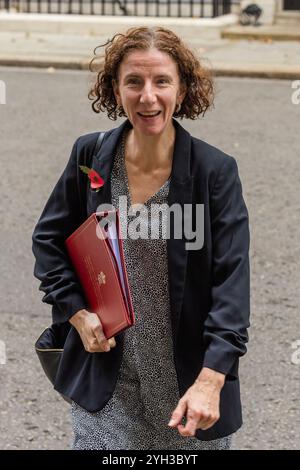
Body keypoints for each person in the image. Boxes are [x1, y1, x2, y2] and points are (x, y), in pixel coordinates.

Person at [32, 26, 250, 450]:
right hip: (109, 385)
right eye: (134, 81)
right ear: (115, 89)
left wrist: (213, 377)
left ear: (182, 90)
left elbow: (233, 284)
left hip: (187, 390)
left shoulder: (214, 172)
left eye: (162, 81)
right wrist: (77, 312)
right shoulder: (90, 157)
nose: (147, 96)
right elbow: (50, 240)